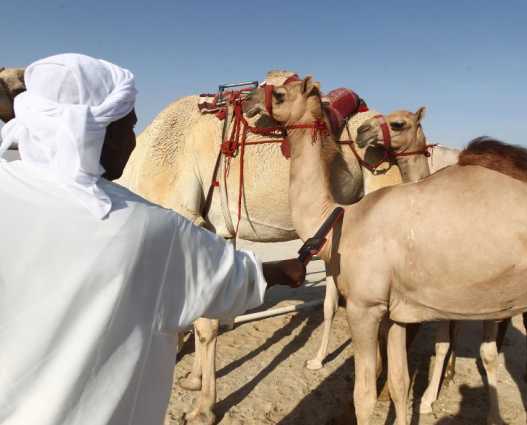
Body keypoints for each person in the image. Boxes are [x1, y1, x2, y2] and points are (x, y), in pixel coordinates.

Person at [0, 53, 306, 425]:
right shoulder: (147, 228)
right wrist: (291, 268)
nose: (134, 140)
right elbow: (234, 281)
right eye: (127, 126)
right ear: (94, 130)